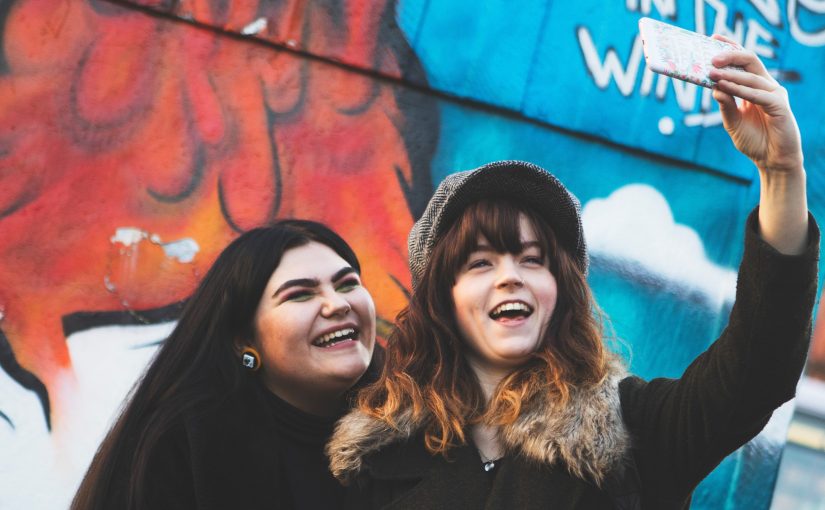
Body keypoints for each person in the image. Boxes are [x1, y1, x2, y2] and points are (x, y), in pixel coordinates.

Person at [327, 37, 818, 509]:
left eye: (533, 258)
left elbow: (760, 365)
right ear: (443, 297)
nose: (509, 276)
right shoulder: (377, 456)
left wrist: (780, 171)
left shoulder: (632, 430)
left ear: (561, 291)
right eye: (480, 263)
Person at [72, 220, 380, 510]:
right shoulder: (181, 445)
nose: (338, 304)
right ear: (243, 339)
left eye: (347, 284)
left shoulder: (416, 418)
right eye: (300, 295)